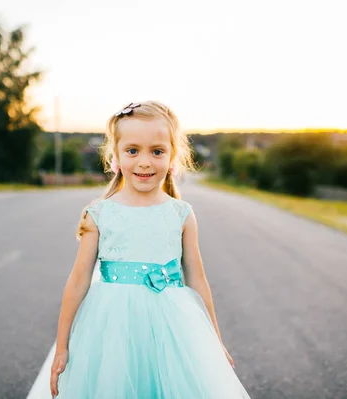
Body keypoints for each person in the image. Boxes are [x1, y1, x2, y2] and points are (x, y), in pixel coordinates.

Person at [49, 101, 251, 398]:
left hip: (171, 328)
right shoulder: (99, 214)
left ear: (172, 157)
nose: (145, 162)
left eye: (157, 151)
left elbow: (197, 280)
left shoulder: (182, 214)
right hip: (113, 329)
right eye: (132, 151)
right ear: (115, 155)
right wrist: (63, 346)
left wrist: (214, 340)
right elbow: (79, 280)